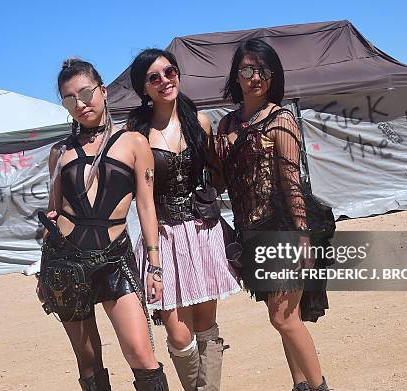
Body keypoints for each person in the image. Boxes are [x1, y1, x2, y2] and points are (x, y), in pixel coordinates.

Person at [36, 58, 169, 390]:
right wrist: (43, 270)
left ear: (103, 91)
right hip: (65, 265)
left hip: (113, 262)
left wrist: (154, 267)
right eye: (69, 100)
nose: (80, 104)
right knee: (89, 363)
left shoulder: (135, 143)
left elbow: (147, 207)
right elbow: (53, 213)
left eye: (86, 93)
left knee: (142, 354)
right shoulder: (59, 152)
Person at [214, 39, 330, 391]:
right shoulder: (226, 125)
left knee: (283, 318)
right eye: (247, 69)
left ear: (273, 76)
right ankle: (301, 386)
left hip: (282, 230)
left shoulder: (281, 121)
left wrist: (303, 238)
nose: (255, 77)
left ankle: (320, 386)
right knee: (284, 317)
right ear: (236, 75)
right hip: (249, 232)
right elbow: (220, 181)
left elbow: (291, 183)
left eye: (263, 70)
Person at [125, 48, 241, 391]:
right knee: (177, 332)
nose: (165, 81)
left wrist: (214, 190)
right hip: (162, 235)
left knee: (207, 326)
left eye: (170, 72)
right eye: (154, 77)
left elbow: (217, 174)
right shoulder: (136, 131)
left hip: (202, 231)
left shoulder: (199, 121)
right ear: (143, 88)